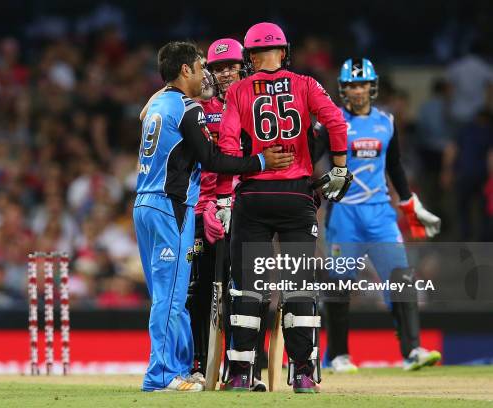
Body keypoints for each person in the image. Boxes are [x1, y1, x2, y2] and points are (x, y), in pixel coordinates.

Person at [133, 41, 293, 392]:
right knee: (171, 297)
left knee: (168, 294)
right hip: (171, 205)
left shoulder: (159, 102)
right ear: (186, 70)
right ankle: (161, 376)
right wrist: (261, 162)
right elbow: (214, 160)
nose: (208, 72)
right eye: (201, 65)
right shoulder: (190, 108)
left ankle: (181, 369)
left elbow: (145, 115)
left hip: (144, 205)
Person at [215, 22, 351, 393]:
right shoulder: (305, 84)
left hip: (253, 196)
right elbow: (337, 122)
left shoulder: (239, 90)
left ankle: (242, 374)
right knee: (298, 288)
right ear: (284, 51)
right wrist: (339, 167)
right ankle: (303, 373)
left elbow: (228, 145)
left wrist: (226, 194)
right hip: (296, 196)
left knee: (247, 290)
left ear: (249, 56)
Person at [320, 58, 442, 374]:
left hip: (380, 215)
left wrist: (409, 202)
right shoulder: (333, 123)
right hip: (344, 214)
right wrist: (312, 187)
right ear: (343, 89)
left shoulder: (386, 123)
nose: (357, 91)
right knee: (339, 286)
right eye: (350, 85)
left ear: (371, 87)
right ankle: (337, 356)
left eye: (361, 84)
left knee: (402, 278)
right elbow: (309, 161)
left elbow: (395, 166)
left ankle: (412, 350)